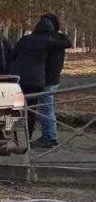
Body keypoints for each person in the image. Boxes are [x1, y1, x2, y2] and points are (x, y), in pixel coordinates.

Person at [9, 16, 71, 148]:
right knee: (40, 109)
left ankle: (46, 137)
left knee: (37, 108)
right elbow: (68, 43)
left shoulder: (33, 39)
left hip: (38, 79)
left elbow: (13, 55)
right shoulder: (54, 40)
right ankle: (44, 136)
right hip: (44, 79)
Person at [38, 13, 72, 149]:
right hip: (54, 78)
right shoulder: (59, 39)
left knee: (46, 108)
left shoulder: (48, 40)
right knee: (47, 107)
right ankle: (48, 135)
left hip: (47, 78)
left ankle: (50, 137)